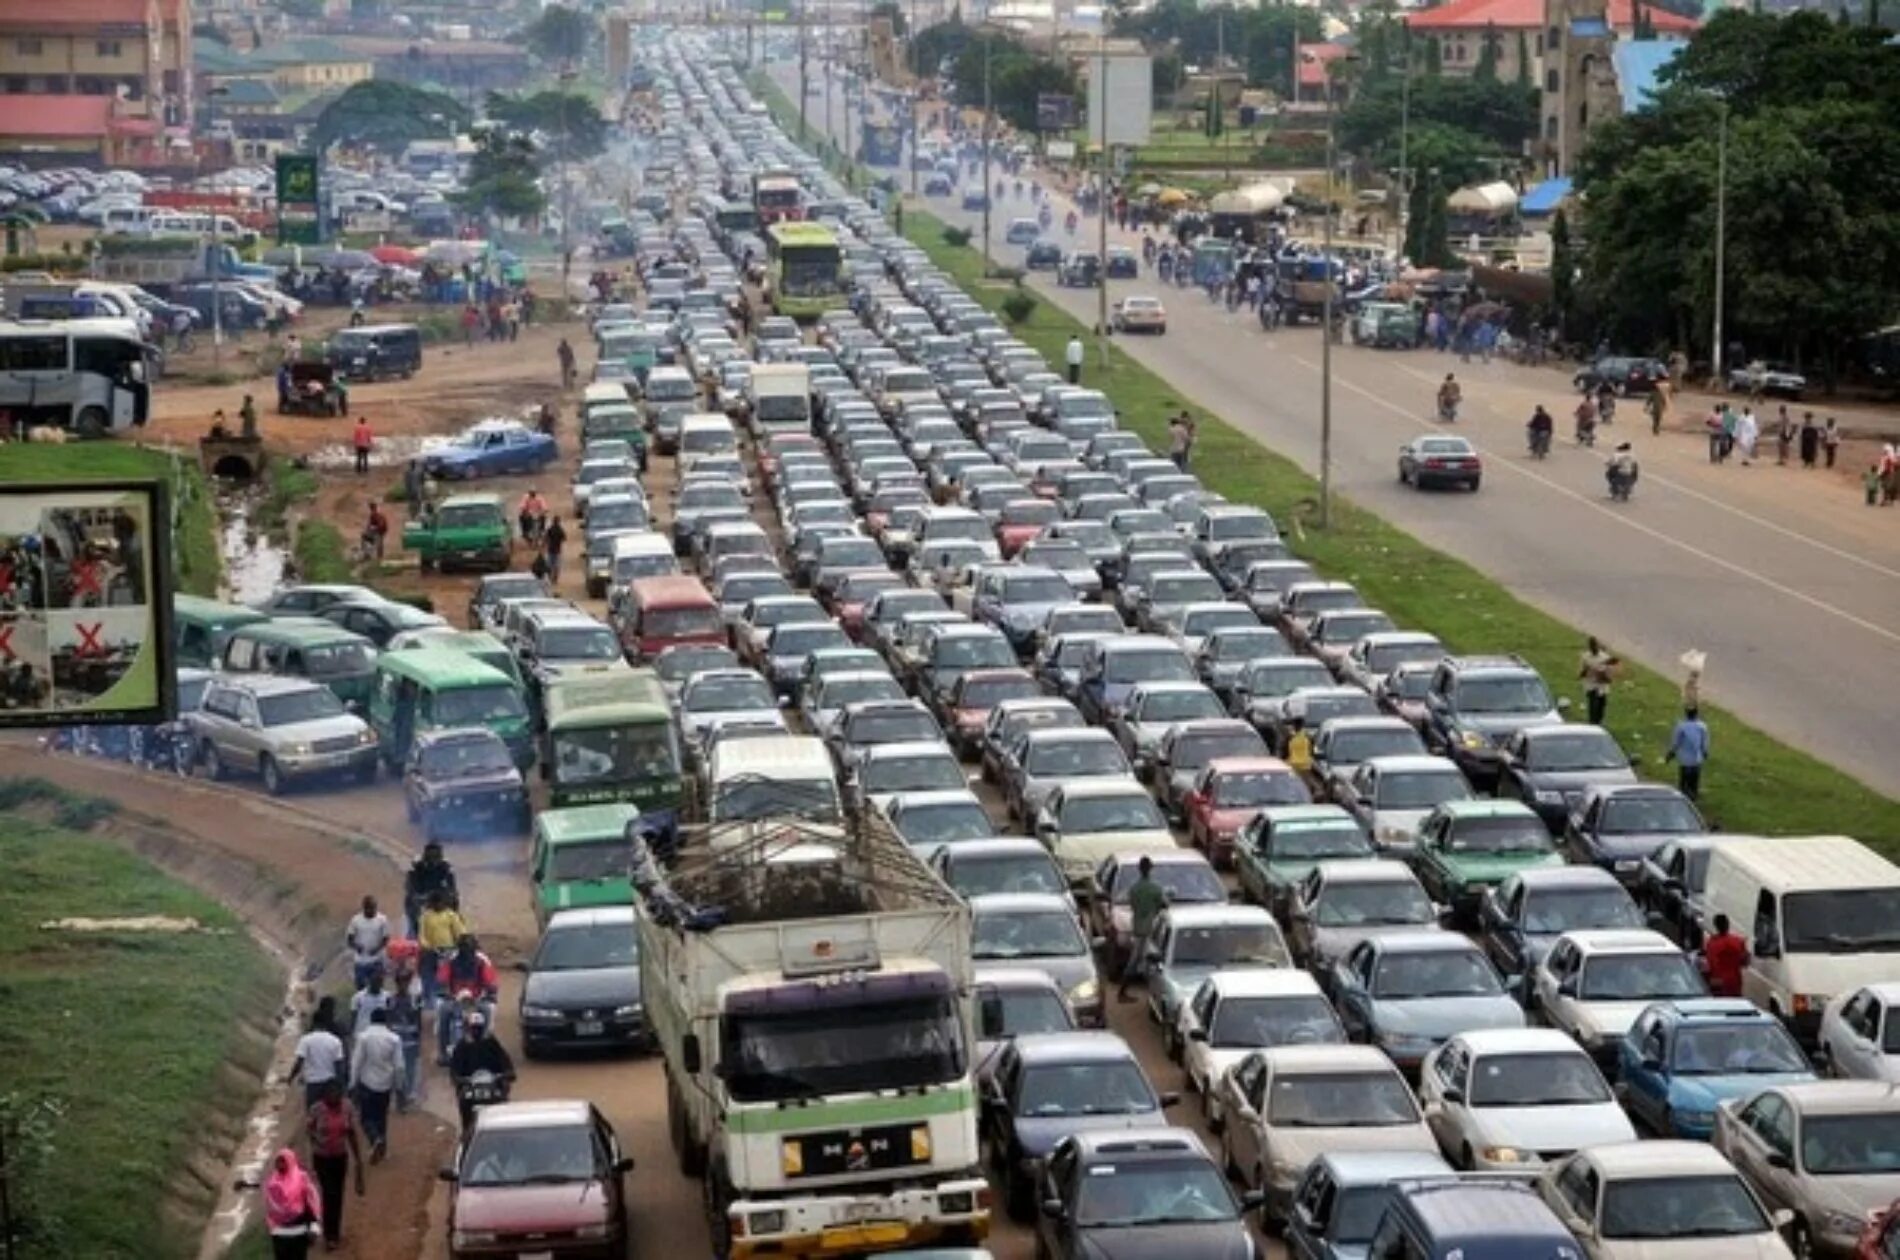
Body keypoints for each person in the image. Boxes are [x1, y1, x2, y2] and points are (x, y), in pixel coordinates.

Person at [305, 1079, 364, 1251]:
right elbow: (309, 1129)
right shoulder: (316, 1109)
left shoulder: (347, 1107)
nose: (335, 1097)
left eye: (338, 1093)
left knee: (337, 1196)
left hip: (340, 1157)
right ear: (325, 1095)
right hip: (322, 1158)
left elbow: (352, 1134)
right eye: (331, 1093)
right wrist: (317, 1141)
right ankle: (329, 1236)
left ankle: (334, 1234)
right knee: (329, 1193)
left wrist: (358, 1161)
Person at [448, 1012, 516, 1131]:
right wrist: (458, 1079)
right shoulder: (462, 1046)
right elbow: (455, 1069)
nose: (476, 1032)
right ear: (468, 1028)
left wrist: (506, 1074)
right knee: (464, 1103)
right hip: (470, 1089)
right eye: (473, 1028)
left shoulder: (491, 1043)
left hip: (493, 1087)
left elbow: (505, 1061)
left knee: (502, 1103)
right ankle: (466, 1133)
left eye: (478, 1028)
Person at [350, 1007, 403, 1161]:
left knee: (366, 1118)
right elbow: (399, 1066)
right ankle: (383, 1149)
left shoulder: (363, 1037)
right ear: (385, 1020)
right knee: (381, 1117)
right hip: (385, 1084)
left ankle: (375, 1139)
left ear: (371, 1020)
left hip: (367, 1083)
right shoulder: (394, 1039)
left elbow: (356, 1062)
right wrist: (399, 1087)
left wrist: (352, 1083)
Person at [436, 934, 499, 1061]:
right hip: (455, 1000)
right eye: (464, 948)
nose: (467, 951)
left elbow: (491, 981)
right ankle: (443, 1053)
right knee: (442, 1012)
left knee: (488, 1011)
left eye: (469, 948)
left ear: (475, 949)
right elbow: (442, 979)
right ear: (459, 949)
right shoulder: (451, 961)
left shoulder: (482, 962)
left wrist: (491, 991)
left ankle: (485, 1046)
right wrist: (444, 990)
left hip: (476, 1001)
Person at [1117, 856, 1168, 1003]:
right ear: (1150, 870)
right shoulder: (1155, 889)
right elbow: (1164, 903)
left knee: (1142, 960)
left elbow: (1133, 905)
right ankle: (1122, 992)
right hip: (1148, 930)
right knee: (1138, 961)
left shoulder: (1134, 889)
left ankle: (1128, 991)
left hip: (1137, 927)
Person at [385, 958, 425, 1111]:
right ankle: (400, 1095)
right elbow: (388, 1020)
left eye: (405, 981)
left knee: (409, 1070)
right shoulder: (391, 1000)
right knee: (396, 1069)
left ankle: (406, 1096)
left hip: (410, 1040)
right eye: (400, 981)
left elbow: (418, 1021)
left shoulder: (415, 1000)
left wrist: (419, 1040)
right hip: (395, 1039)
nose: (403, 984)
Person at [289, 1004, 347, 1109]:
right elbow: (339, 1065)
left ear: (314, 1023)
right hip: (330, 1084)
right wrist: (341, 1085)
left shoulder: (306, 1040)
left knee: (312, 1113)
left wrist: (291, 1077)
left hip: (313, 1083)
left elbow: (299, 1062)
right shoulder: (335, 1041)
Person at [416, 889, 467, 1005]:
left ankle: (447, 999)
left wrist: (458, 946)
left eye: (440, 903)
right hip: (430, 952)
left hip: (448, 952)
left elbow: (460, 933)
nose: (438, 905)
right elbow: (421, 936)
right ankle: (428, 1001)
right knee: (428, 977)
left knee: (446, 978)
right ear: (432, 903)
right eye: (435, 903)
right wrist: (428, 946)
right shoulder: (425, 916)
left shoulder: (451, 916)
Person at [403, 842, 457, 937]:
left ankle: (454, 928)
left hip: (438, 895)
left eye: (436, 856)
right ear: (426, 855)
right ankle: (414, 931)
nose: (433, 859)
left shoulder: (445, 868)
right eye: (431, 856)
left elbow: (452, 888)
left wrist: (450, 895)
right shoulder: (417, 867)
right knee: (412, 906)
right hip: (421, 894)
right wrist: (417, 897)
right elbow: (410, 888)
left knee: (454, 901)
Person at [1664, 705, 1711, 801]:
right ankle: (1693, 798)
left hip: (1684, 760)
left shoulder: (1681, 726)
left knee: (1684, 782)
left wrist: (1670, 754)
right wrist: (1705, 753)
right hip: (1696, 760)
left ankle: (1684, 799)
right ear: (1697, 714)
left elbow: (1676, 743)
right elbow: (1705, 743)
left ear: (1686, 713)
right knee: (1694, 782)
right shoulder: (1702, 726)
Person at [345, 895, 390, 991]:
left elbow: (386, 938)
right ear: (364, 908)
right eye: (368, 909)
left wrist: (377, 948)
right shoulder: (356, 920)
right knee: (361, 989)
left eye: (373, 908)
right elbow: (349, 940)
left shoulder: (382, 919)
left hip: (377, 961)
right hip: (360, 962)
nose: (371, 911)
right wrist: (357, 947)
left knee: (377, 989)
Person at [1700, 913, 1750, 998]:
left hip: (1717, 982)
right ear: (1728, 925)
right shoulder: (1738, 941)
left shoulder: (1711, 943)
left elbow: (1709, 964)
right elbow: (1745, 962)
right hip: (1734, 982)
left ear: (1716, 926)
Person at [1579, 636, 1619, 726]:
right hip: (1591, 686)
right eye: (1591, 646)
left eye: (1595, 646)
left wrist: (1603, 675)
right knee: (1593, 706)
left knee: (1601, 706)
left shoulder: (1605, 658)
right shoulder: (1585, 657)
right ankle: (1592, 723)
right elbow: (1581, 673)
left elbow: (1609, 677)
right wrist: (1587, 670)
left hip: (1602, 687)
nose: (1594, 648)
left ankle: (1599, 722)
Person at [543, 515, 567, 587]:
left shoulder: (550, 529)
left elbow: (545, 538)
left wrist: (545, 543)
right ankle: (554, 579)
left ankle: (551, 578)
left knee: (550, 565)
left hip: (551, 549)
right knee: (556, 566)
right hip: (557, 550)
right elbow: (564, 538)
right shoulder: (560, 529)